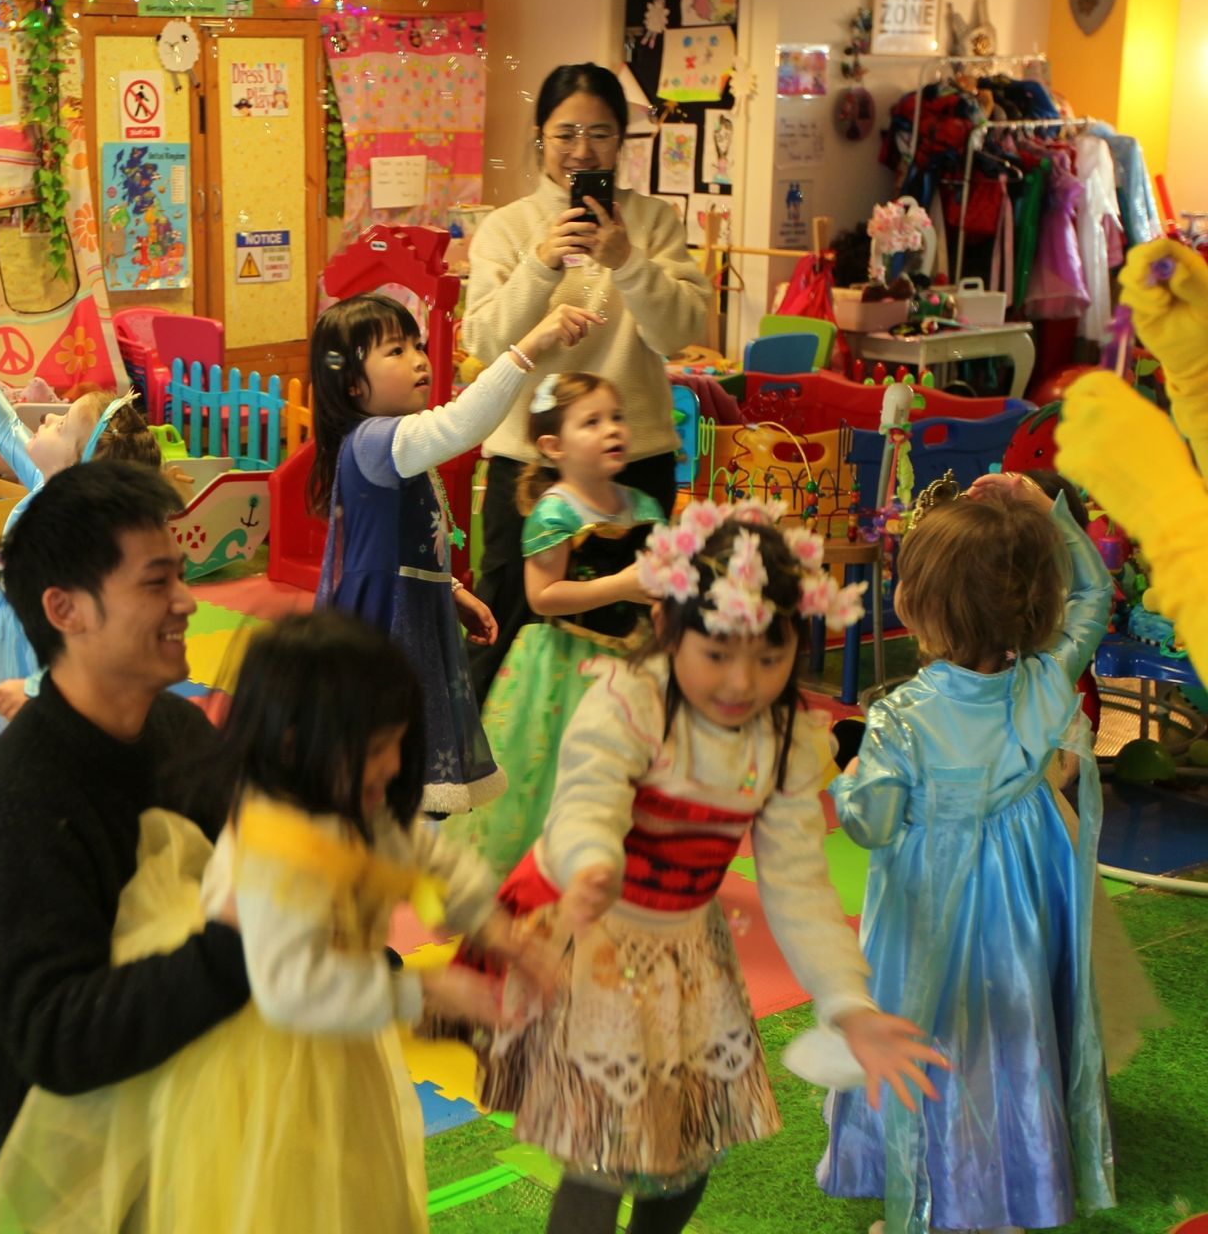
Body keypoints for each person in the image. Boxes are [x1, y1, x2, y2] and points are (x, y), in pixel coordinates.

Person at [0, 612, 555, 1231]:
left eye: (397, 743)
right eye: (376, 748)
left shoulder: (351, 803)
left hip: (340, 1043)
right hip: (264, 1070)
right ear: (293, 744)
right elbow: (291, 992)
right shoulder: (272, 850)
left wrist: (494, 928)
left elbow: (423, 855)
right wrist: (428, 990)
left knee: (352, 1190)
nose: (391, 766)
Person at [475, 502, 944, 1234]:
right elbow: (585, 803)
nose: (741, 682)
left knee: (687, 1157)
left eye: (769, 656)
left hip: (690, 960)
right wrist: (594, 861)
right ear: (669, 630)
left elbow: (797, 883)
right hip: (597, 944)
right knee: (598, 1157)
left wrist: (847, 1003)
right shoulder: (629, 702)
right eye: (718, 653)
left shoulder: (783, 739)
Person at [818, 474, 1119, 1234]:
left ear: (923, 606)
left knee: (930, 1037)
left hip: (928, 910)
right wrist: (1041, 511)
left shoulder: (899, 718)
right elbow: (1094, 595)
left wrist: (843, 771)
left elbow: (871, 823)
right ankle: (1013, 1193)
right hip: (1019, 904)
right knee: (1010, 1038)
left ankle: (933, 1202)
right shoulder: (1048, 681)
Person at [0, 460, 253, 1152]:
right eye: (156, 582)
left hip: (205, 1135)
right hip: (88, 1175)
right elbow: (56, 1036)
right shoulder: (17, 808)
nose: (186, 601)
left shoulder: (180, 734)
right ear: (66, 610)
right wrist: (238, 944)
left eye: (180, 575)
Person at [461, 63, 708, 699]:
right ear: (540, 137)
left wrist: (626, 261)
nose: (582, 149)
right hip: (529, 463)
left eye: (601, 133)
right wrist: (541, 265)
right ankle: (465, 779)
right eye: (565, 131)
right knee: (507, 619)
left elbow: (678, 334)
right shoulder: (508, 228)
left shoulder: (653, 224)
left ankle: (620, 776)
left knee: (635, 629)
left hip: (635, 457)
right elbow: (484, 341)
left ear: (621, 143)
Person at [309, 292, 600, 813]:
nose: (419, 358)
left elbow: (404, 541)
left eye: (416, 345)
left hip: (410, 617)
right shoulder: (377, 441)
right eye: (394, 352)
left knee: (395, 773)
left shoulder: (391, 445)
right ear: (353, 384)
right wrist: (531, 344)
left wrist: (452, 591)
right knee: (377, 769)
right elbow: (461, 424)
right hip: (381, 631)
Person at [441, 372, 662, 874]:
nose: (612, 430)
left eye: (617, 418)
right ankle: (556, 863)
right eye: (592, 422)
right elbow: (542, 598)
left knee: (628, 768)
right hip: (570, 671)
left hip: (635, 662)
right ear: (553, 446)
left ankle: (621, 861)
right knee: (561, 770)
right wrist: (623, 586)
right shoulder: (554, 512)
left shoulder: (643, 506)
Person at [0, 303, 162, 735]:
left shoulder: (75, 542)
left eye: (61, 426)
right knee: (5, 738)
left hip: (39, 647)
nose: (47, 416)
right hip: (9, 627)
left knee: (41, 743)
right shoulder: (48, 486)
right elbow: (4, 429)